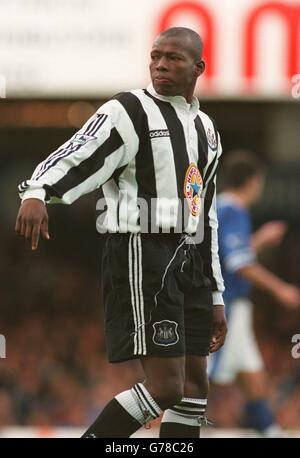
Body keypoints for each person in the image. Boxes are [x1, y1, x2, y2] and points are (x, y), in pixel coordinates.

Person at [15, 27, 227, 438]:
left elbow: (208, 215)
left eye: (173, 58)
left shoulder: (207, 130)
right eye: (155, 56)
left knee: (195, 390)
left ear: (199, 67)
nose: (160, 65)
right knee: (167, 387)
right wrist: (38, 191)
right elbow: (80, 151)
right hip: (141, 250)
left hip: (191, 258)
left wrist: (215, 292)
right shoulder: (128, 109)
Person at [209, 150, 300, 437]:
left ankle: (271, 432)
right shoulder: (234, 209)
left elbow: (226, 255)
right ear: (253, 181)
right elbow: (239, 264)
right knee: (201, 378)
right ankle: (154, 426)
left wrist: (259, 239)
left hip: (232, 305)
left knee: (253, 378)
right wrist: (280, 289)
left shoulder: (220, 207)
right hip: (228, 305)